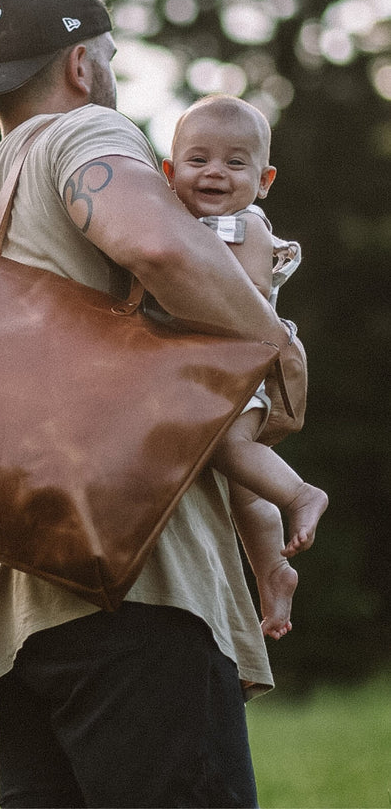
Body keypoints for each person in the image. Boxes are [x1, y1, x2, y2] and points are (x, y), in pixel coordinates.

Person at [0, 0, 304, 809]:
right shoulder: (88, 132)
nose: (108, 69)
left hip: (18, 611)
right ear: (78, 63)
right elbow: (162, 251)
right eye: (107, 54)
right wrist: (272, 345)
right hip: (138, 580)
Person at [161, 94, 328, 640]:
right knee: (241, 491)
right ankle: (272, 572)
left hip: (239, 367)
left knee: (230, 449)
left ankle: (301, 493)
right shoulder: (181, 221)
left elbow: (249, 292)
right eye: (198, 160)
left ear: (263, 180)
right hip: (214, 370)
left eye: (236, 163)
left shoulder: (240, 226)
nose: (215, 172)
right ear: (169, 172)